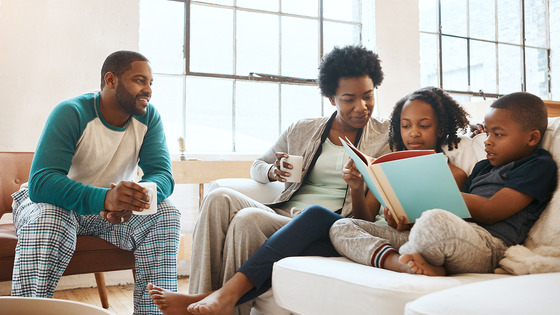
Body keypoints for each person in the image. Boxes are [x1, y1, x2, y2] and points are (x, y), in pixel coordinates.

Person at [147, 87, 470, 314]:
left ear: (440, 128)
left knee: (314, 216)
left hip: (397, 240)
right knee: (238, 208)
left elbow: (445, 224)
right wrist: (358, 186)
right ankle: (217, 298)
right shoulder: (386, 163)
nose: (413, 133)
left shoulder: (451, 173)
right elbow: (366, 215)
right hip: (361, 232)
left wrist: (407, 219)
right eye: (406, 126)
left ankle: (219, 295)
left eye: (424, 126)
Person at [187, 45, 390, 315]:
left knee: (246, 221)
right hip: (282, 213)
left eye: (368, 96)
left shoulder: (386, 136)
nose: (361, 107)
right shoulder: (302, 129)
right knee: (218, 196)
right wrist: (272, 171)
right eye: (348, 99)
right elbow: (257, 165)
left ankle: (221, 304)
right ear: (331, 98)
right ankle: (197, 300)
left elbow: (369, 213)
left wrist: (359, 184)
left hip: (326, 223)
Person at [10, 50, 181, 314]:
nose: (148, 89)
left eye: (150, 82)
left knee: (166, 213)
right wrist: (104, 198)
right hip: (50, 206)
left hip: (109, 213)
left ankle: (153, 312)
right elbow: (42, 182)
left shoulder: (148, 117)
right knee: (50, 218)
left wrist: (134, 198)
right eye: (139, 80)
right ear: (111, 80)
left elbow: (162, 174)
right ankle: (27, 311)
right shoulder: (71, 112)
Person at [330, 91, 557, 277]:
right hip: (451, 233)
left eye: (497, 134)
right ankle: (398, 262)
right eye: (487, 133)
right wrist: (406, 221)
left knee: (434, 219)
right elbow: (461, 216)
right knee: (341, 226)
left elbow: (491, 210)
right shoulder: (483, 167)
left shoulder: (538, 165)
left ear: (532, 138)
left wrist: (433, 196)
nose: (487, 141)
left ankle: (415, 258)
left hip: (489, 245)